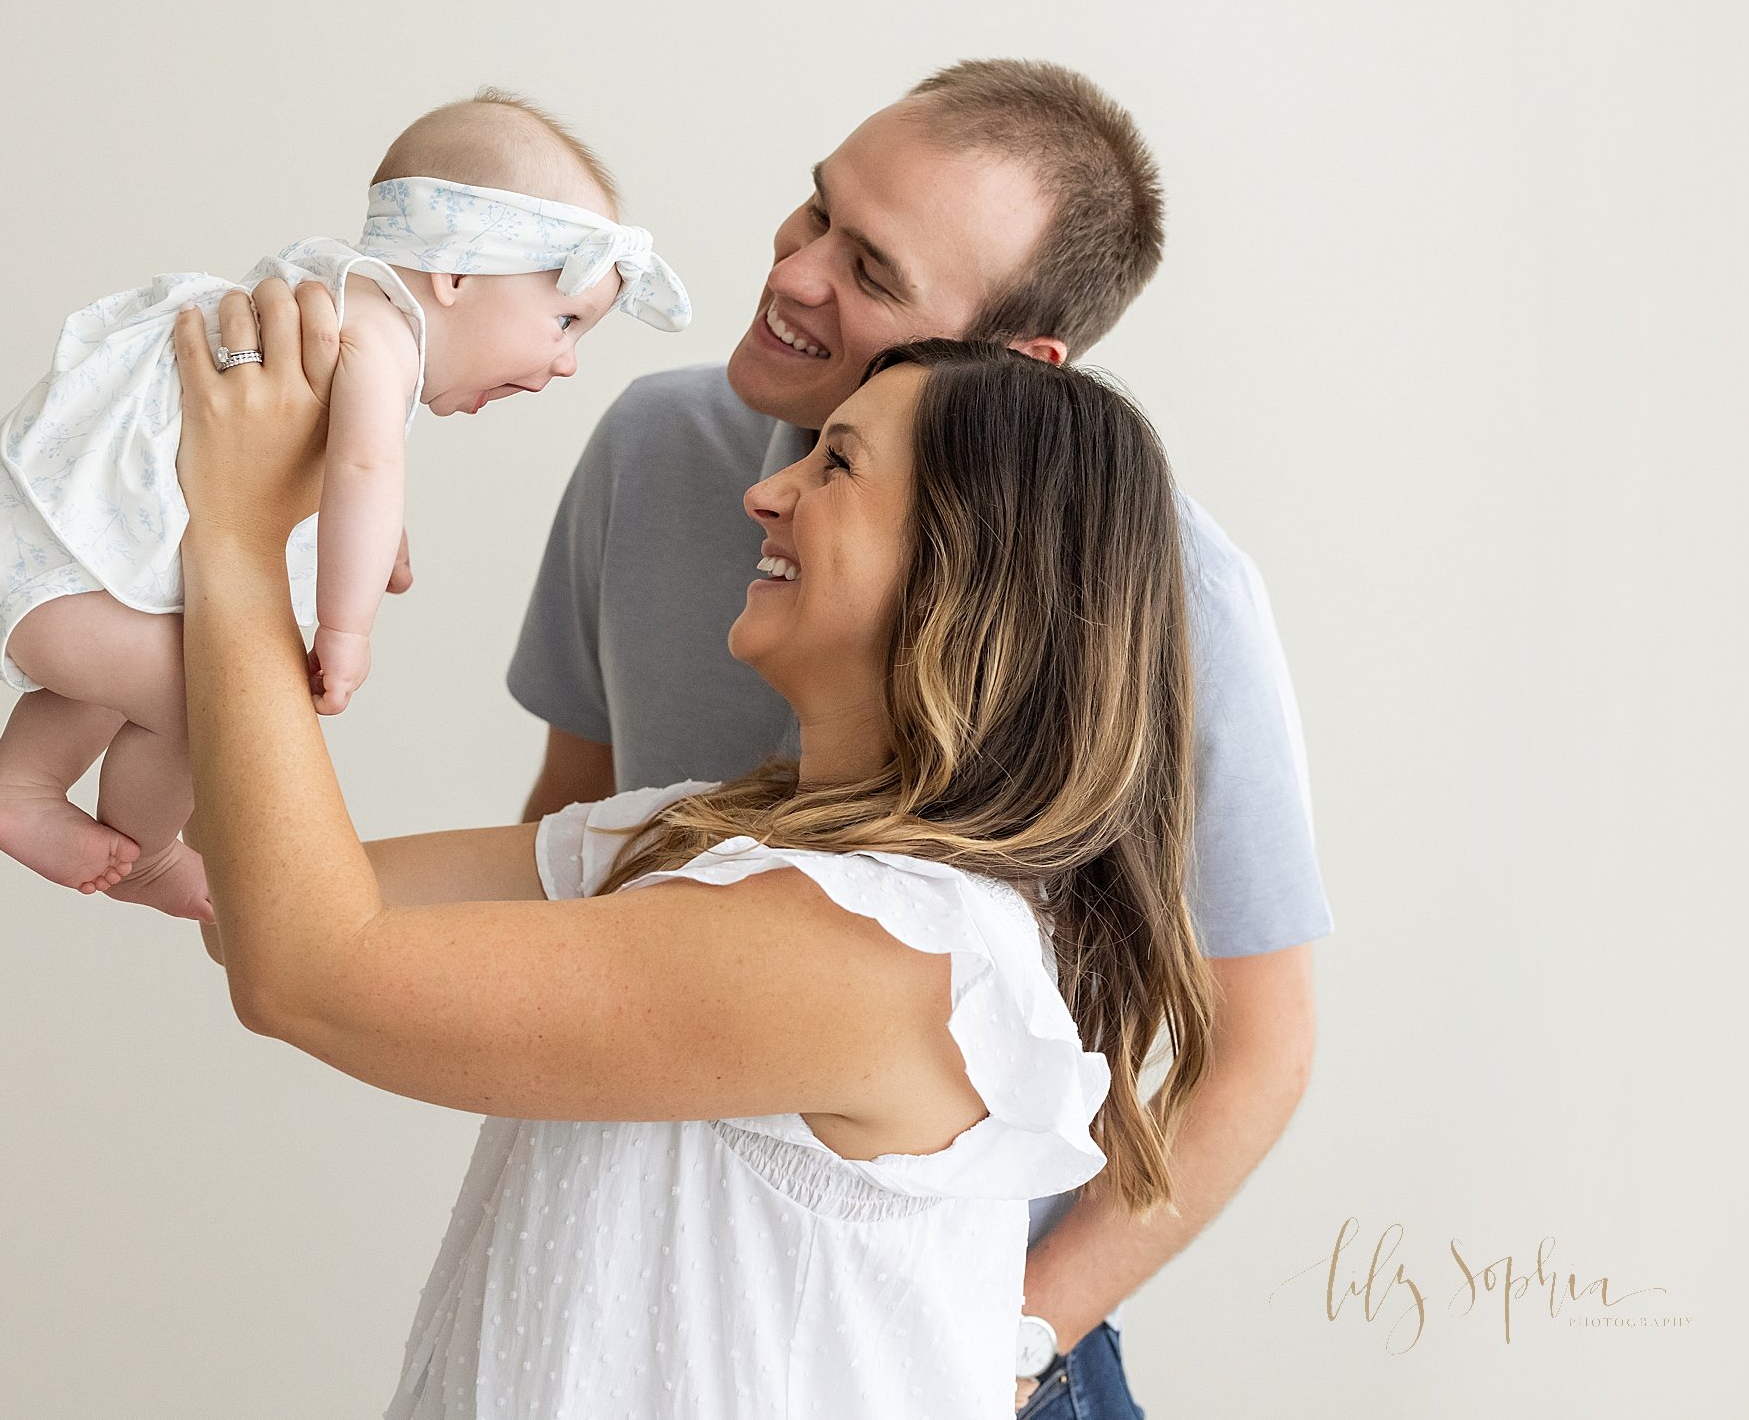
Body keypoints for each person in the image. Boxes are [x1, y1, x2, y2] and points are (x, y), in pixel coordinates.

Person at [174, 281, 1211, 1416]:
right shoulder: (697, 841)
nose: (767, 491)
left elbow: (309, 967)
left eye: (836, 466)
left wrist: (238, 536)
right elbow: (260, 901)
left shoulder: (879, 948)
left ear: (968, 561)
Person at [506, 59, 1331, 1410]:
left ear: (1016, 370)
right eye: (817, 209)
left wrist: (1010, 1336)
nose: (795, 270)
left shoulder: (1174, 596)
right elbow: (574, 845)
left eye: (872, 272)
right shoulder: (651, 449)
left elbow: (1261, 1046)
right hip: (659, 1330)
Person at [0, 91, 689, 922]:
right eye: (564, 320)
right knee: (214, 689)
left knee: (154, 652)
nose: (565, 362)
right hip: (26, 556)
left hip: (6, 536)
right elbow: (363, 461)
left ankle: (22, 790)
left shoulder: (332, 297)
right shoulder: (375, 337)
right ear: (455, 272)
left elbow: (345, 465)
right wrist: (347, 629)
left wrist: (383, 533)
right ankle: (147, 850)